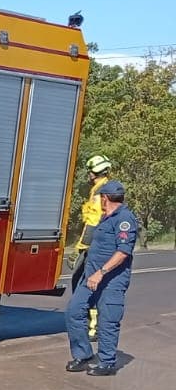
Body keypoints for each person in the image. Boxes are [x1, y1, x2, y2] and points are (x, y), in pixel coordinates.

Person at [64, 180, 138, 376]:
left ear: (105, 198)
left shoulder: (125, 219)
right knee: (74, 311)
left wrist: (101, 272)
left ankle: (107, 362)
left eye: (101, 198)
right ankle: (84, 355)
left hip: (110, 280)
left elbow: (123, 252)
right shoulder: (105, 218)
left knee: (108, 320)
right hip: (90, 278)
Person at [70, 154, 114, 339]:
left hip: (94, 245)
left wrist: (80, 247)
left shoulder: (99, 193)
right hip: (101, 244)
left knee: (84, 282)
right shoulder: (104, 188)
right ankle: (93, 324)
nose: (88, 174)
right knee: (89, 283)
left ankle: (93, 326)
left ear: (95, 172)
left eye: (90, 171)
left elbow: (93, 221)